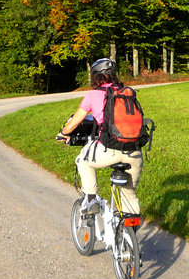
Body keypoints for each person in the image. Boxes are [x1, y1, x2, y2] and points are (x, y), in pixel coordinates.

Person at [58, 58, 143, 216]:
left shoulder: (93, 95)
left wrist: (64, 133)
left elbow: (74, 122)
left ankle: (91, 199)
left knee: (82, 160)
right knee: (129, 195)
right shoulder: (127, 93)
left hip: (109, 149)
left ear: (95, 76)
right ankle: (129, 235)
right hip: (134, 152)